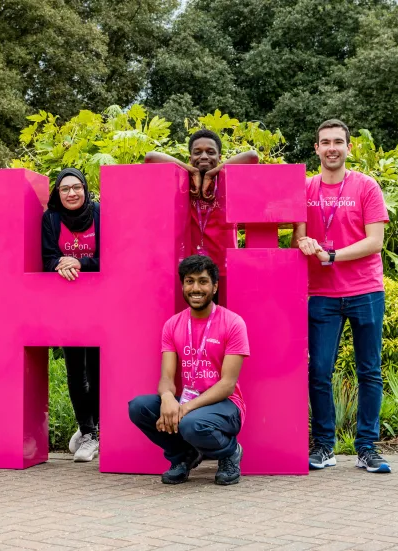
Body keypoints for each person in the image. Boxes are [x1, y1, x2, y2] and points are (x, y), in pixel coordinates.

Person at [292, 119, 391, 474]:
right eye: (325, 142)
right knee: (318, 370)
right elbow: (299, 237)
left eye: (338, 141)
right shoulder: (304, 189)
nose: (331, 147)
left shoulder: (366, 186)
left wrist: (333, 255)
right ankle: (324, 446)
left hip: (365, 289)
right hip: (321, 293)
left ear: (348, 148)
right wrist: (304, 242)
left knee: (369, 371)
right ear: (316, 149)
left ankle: (367, 448)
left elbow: (375, 241)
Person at [128, 255, 250, 485]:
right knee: (139, 408)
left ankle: (230, 452)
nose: (195, 288)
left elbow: (227, 385)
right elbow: (166, 376)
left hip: (226, 405)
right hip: (189, 402)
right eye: (189, 281)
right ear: (183, 285)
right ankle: (184, 456)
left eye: (203, 281)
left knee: (190, 423)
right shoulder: (173, 324)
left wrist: (184, 409)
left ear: (214, 287)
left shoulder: (233, 323)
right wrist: (166, 398)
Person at [144, 131, 258, 304]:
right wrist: (192, 171)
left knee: (223, 325)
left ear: (219, 157)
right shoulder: (183, 182)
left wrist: (214, 173)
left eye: (210, 152)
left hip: (224, 272)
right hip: (190, 272)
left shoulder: (228, 179)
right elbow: (150, 157)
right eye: (197, 152)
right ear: (190, 157)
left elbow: (252, 156)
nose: (204, 156)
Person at [41, 168, 102, 462]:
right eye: (65, 189)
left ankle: (96, 430)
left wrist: (79, 262)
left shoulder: (100, 214)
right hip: (67, 304)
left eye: (76, 187)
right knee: (75, 369)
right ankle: (88, 430)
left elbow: (110, 256)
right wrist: (60, 264)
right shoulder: (51, 219)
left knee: (97, 369)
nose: (72, 193)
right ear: (58, 193)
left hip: (102, 303)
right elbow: (47, 257)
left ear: (85, 188)